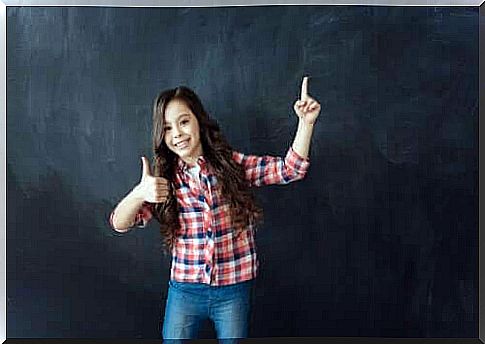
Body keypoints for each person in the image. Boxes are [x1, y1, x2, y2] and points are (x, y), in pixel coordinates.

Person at [109, 76, 321, 343]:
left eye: (183, 121)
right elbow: (119, 222)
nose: (177, 133)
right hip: (185, 291)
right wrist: (140, 193)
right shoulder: (162, 181)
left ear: (198, 120)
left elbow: (291, 169)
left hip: (233, 289)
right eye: (167, 128)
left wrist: (306, 123)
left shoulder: (231, 165)